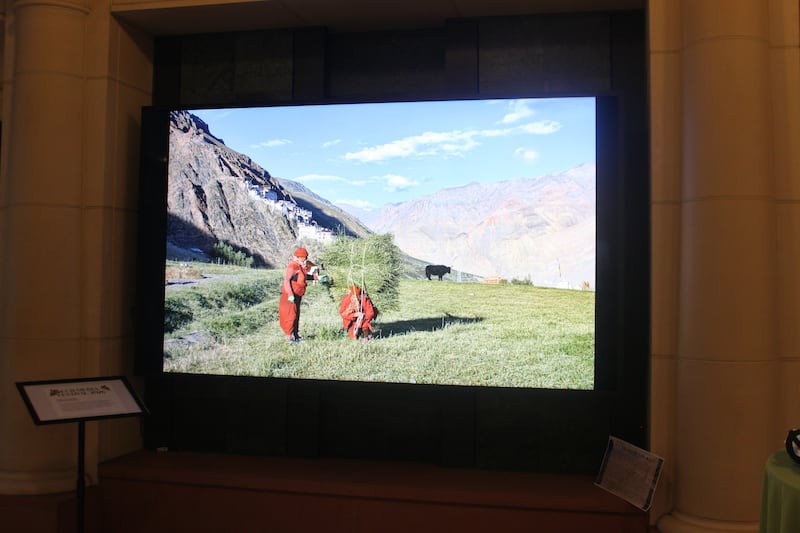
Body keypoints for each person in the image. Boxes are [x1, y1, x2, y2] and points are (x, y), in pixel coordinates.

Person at [279, 247, 318, 343]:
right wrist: (290, 294)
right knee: (290, 315)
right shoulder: (292, 266)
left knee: (296, 315)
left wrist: (317, 278)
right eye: (304, 257)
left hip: (298, 295)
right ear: (299, 257)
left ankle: (296, 335)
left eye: (306, 257)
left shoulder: (301, 266)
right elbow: (287, 281)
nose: (305, 259)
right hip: (290, 296)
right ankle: (289, 337)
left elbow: (304, 277)